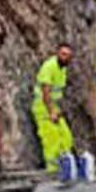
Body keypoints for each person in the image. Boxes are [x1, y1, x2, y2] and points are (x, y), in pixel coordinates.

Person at [32, 44, 75, 178]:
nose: (64, 57)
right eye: (62, 53)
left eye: (67, 55)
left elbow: (57, 92)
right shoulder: (49, 66)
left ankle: (65, 166)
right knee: (51, 139)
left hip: (53, 106)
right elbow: (46, 92)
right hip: (43, 107)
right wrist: (51, 112)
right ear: (57, 53)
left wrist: (57, 109)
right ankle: (52, 169)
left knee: (66, 137)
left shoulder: (62, 69)